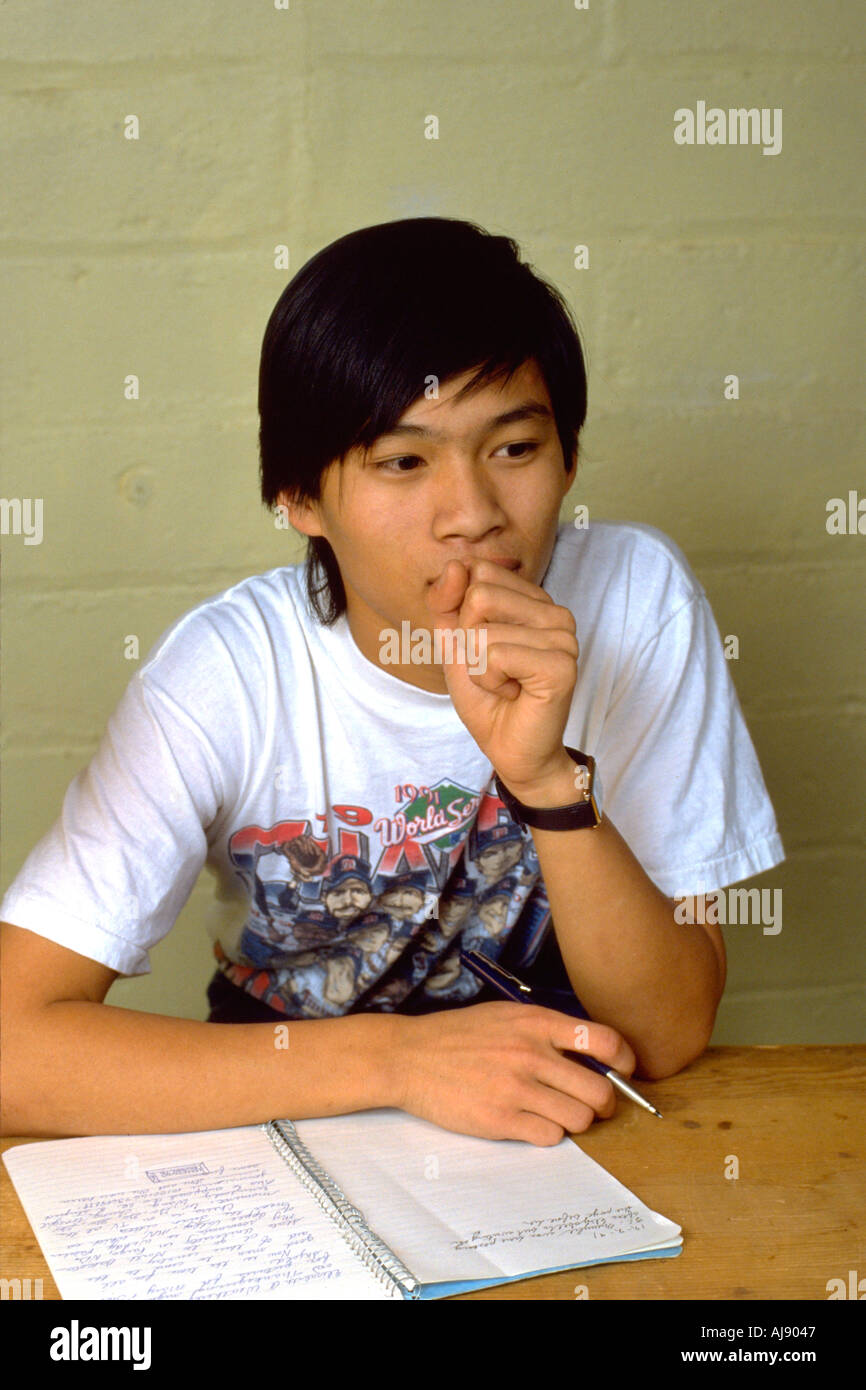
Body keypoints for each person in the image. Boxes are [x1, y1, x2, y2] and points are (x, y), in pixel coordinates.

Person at [0, 217, 784, 1146]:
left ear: (569, 455)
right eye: (404, 462)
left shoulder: (637, 598)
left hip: (565, 1131)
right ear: (298, 498)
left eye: (515, 449)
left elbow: (668, 1031)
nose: (474, 516)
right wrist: (401, 1063)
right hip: (291, 1126)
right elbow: (14, 1048)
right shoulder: (225, 676)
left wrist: (544, 785)